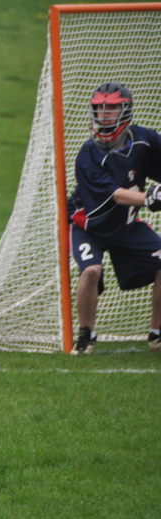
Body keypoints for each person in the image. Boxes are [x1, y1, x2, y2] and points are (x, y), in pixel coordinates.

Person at [67, 81, 161, 355]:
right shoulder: (88, 154)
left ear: (126, 110)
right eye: (100, 109)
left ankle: (157, 334)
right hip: (89, 226)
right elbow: (117, 195)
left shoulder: (145, 140)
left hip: (127, 227)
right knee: (92, 271)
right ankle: (87, 335)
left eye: (112, 108)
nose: (105, 114)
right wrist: (149, 198)